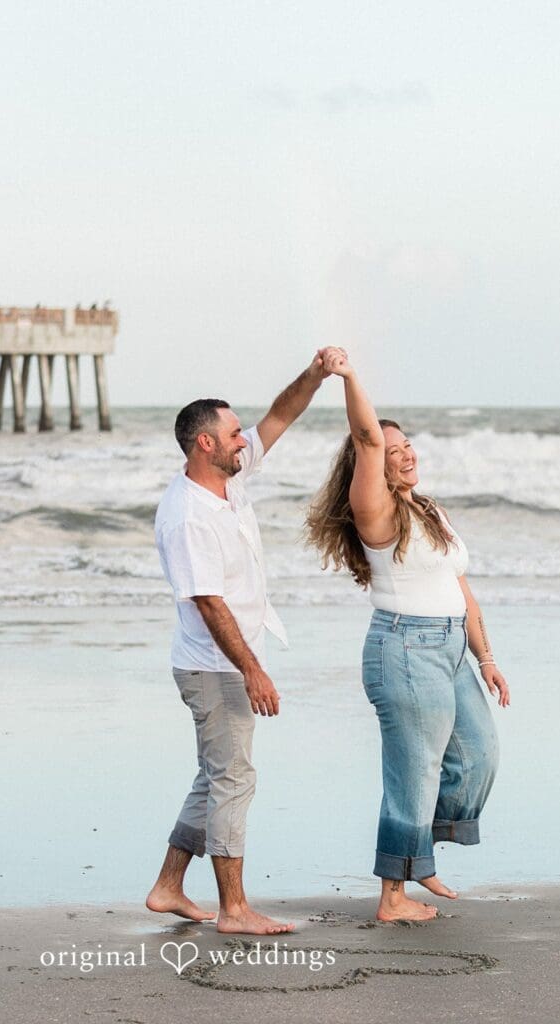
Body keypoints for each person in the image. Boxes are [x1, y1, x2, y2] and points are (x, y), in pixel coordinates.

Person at [306, 349, 510, 922]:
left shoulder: (428, 509)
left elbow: (461, 588)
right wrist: (347, 376)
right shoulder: (374, 511)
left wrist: (487, 657)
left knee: (477, 757)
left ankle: (418, 852)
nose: (404, 454)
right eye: (391, 451)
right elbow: (366, 438)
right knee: (412, 773)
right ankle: (393, 894)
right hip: (404, 649)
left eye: (407, 445)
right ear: (373, 464)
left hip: (450, 649)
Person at [147, 350, 336, 934]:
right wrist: (253, 670)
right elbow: (209, 603)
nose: (243, 440)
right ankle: (233, 908)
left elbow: (279, 417)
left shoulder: (229, 475)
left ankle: (168, 887)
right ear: (205, 444)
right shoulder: (187, 516)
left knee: (215, 775)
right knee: (234, 779)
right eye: (232, 434)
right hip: (214, 666)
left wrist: (316, 373)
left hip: (225, 659)